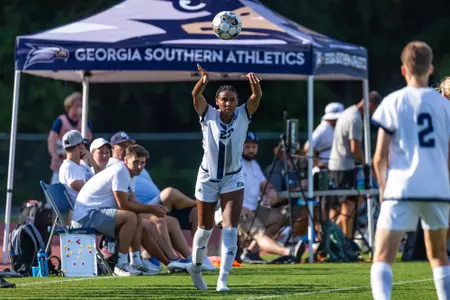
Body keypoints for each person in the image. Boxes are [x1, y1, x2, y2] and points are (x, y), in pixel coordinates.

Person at [371, 41, 450, 300]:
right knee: (439, 256)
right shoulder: (445, 106)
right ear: (431, 69)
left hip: (401, 187)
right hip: (437, 187)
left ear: (404, 70)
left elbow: (380, 157)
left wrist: (383, 188)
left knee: (382, 257)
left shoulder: (393, 101)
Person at [187, 64, 262, 292]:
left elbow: (256, 96)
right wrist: (204, 80)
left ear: (237, 102)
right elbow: (195, 95)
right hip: (207, 177)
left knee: (231, 227)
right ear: (217, 102)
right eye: (224, 99)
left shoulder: (243, 114)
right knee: (205, 227)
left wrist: (255, 86)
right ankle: (196, 268)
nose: (228, 103)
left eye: (232, 99)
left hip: (232, 178)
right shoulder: (207, 114)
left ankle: (223, 280)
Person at [71, 144, 164, 276]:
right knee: (130, 217)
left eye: (142, 163)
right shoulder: (121, 171)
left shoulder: (130, 174)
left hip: (93, 214)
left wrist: (150, 210)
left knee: (135, 216)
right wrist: (152, 209)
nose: (139, 166)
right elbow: (124, 205)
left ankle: (136, 261)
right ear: (125, 160)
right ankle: (121, 265)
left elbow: (133, 203)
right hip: (84, 217)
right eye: (136, 162)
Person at [239, 131, 305, 263]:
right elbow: (223, 189)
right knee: (259, 233)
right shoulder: (233, 164)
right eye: (247, 147)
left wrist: (271, 191)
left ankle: (250, 252)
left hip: (255, 209)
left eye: (254, 147)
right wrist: (239, 207)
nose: (251, 150)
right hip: (239, 211)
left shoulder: (254, 164)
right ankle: (288, 252)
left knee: (281, 216)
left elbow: (264, 184)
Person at [328, 90, 381, 237]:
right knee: (349, 207)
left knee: (344, 206)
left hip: (337, 165)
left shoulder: (348, 111)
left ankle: (333, 238)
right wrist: (366, 164)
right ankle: (346, 242)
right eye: (374, 110)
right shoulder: (355, 118)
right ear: (369, 104)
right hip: (344, 167)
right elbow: (355, 148)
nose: (372, 115)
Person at [47, 92, 93, 183]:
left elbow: (89, 137)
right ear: (70, 106)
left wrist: (82, 118)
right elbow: (52, 138)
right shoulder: (61, 120)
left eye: (81, 105)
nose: (79, 108)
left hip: (78, 161)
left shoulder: (84, 122)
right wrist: (54, 156)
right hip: (62, 160)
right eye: (76, 105)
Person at [303, 102, 344, 167]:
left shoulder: (333, 128)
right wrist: (318, 164)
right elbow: (308, 147)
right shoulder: (323, 129)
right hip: (325, 170)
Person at [58, 130, 93, 204]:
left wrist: (93, 162)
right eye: (83, 144)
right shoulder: (69, 167)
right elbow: (88, 192)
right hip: (88, 211)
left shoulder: (81, 164)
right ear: (80, 146)